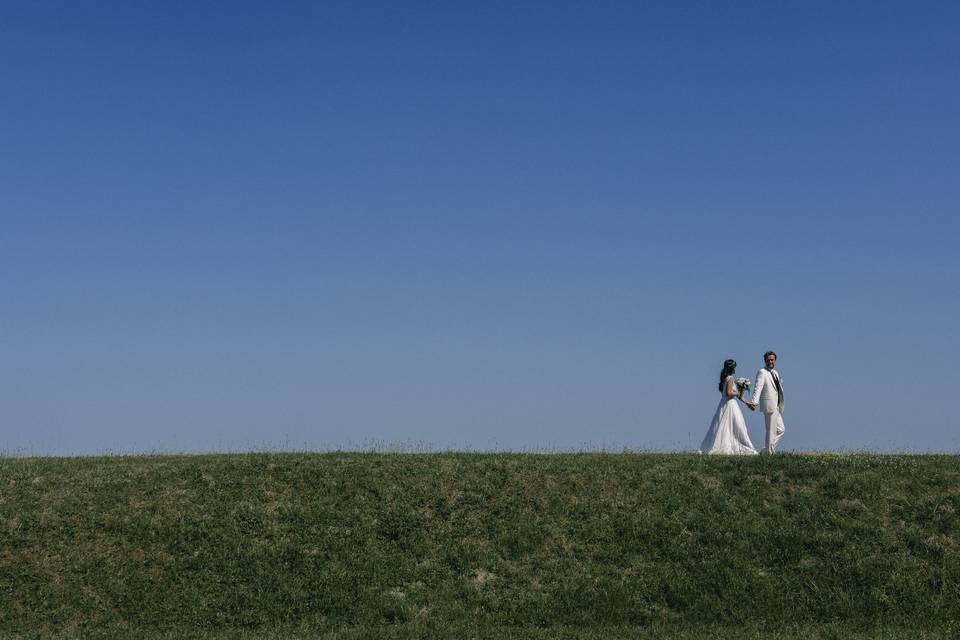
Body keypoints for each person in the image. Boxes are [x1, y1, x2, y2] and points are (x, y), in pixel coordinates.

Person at [699, 359, 758, 455]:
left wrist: (747, 403)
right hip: (730, 404)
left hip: (724, 403)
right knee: (737, 426)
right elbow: (729, 393)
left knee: (724, 425)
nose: (736, 369)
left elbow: (735, 395)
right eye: (735, 367)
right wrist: (737, 391)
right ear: (732, 368)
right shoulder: (730, 378)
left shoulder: (725, 378)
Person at [746, 350, 785, 454]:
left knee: (781, 429)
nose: (770, 362)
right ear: (765, 361)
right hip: (768, 405)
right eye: (768, 360)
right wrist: (754, 402)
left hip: (777, 405)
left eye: (772, 360)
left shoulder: (775, 372)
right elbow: (758, 387)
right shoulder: (762, 372)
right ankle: (769, 453)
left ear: (775, 360)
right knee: (771, 431)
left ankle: (766, 450)